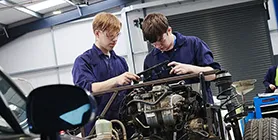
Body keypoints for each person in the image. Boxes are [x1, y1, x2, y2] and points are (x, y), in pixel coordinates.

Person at [72, 12, 139, 136]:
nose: (115, 40)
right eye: (110, 35)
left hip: (122, 126)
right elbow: (86, 89)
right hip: (96, 128)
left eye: (117, 35)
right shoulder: (83, 61)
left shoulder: (120, 61)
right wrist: (116, 81)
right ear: (97, 33)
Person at [141, 13, 220, 103]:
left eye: (161, 40)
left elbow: (213, 75)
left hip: (201, 110)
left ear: (169, 30)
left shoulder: (193, 44)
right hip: (167, 114)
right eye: (154, 44)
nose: (159, 46)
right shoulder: (150, 60)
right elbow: (147, 93)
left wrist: (190, 68)